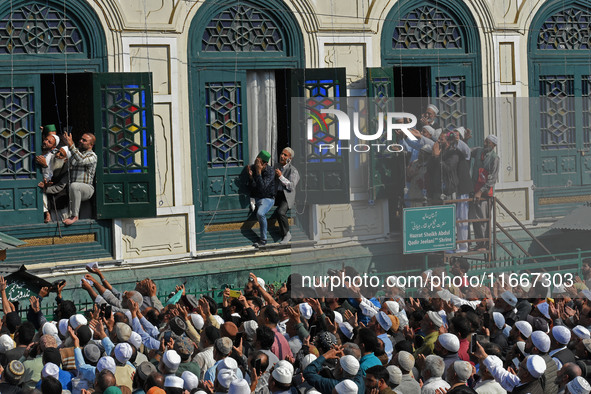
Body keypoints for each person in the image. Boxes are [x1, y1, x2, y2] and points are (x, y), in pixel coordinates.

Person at [469, 135, 499, 251]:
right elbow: (467, 152)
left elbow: (492, 179)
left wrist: (481, 191)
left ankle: (485, 244)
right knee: (475, 219)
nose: (486, 143)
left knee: (483, 219)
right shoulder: (478, 151)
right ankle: (479, 243)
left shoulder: (494, 158)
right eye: (485, 141)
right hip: (474, 190)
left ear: (494, 145)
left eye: (489, 142)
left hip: (485, 194)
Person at [62, 131, 97, 226]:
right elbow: (74, 157)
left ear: (91, 144)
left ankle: (74, 216)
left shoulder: (92, 156)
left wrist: (71, 145)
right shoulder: (76, 153)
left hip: (87, 189)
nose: (81, 141)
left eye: (84, 140)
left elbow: (81, 160)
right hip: (73, 191)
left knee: (74, 186)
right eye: (81, 139)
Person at [247, 150, 276, 247]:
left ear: (264, 164)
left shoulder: (270, 171)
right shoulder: (253, 168)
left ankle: (263, 240)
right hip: (256, 197)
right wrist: (251, 177)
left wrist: (259, 173)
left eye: (258, 163)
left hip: (267, 198)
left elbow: (263, 188)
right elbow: (254, 187)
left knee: (260, 213)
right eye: (256, 161)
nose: (256, 164)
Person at [273, 147, 300, 245]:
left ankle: (286, 234)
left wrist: (280, 176)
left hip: (286, 196)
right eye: (282, 154)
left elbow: (291, 186)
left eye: (285, 155)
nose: (282, 156)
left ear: (290, 159)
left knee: (280, 212)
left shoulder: (293, 171)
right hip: (276, 194)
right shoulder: (276, 166)